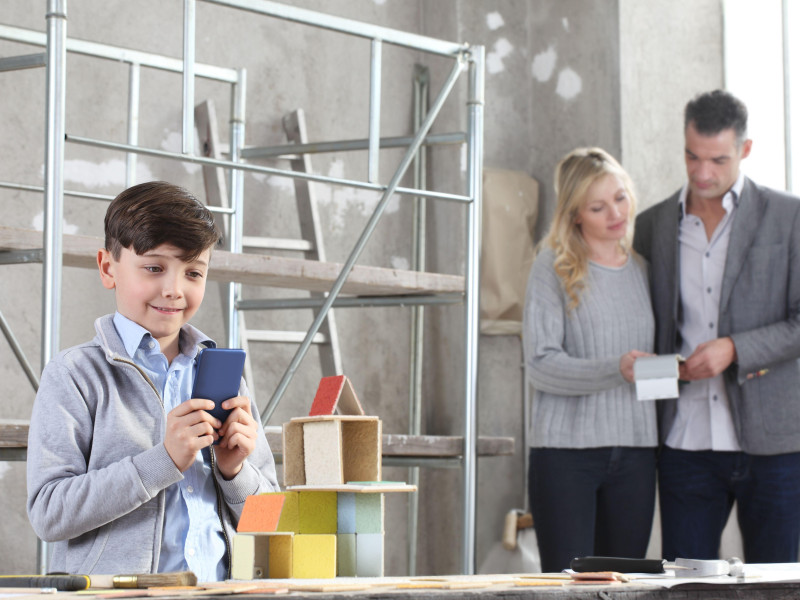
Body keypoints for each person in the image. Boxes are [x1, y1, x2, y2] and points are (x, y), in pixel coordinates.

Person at [26, 181, 280, 581]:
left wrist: (234, 472)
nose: (174, 290)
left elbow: (270, 522)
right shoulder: (74, 375)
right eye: (154, 268)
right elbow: (49, 513)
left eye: (193, 272)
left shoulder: (225, 377)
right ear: (108, 268)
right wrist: (162, 462)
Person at [633, 90, 800, 563]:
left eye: (718, 160)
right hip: (683, 445)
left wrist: (735, 348)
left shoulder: (790, 217)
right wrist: (662, 373)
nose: (702, 173)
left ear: (745, 150)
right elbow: (649, 337)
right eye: (692, 156)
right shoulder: (652, 226)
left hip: (775, 447)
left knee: (778, 586)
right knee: (684, 584)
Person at [523, 147, 657, 573]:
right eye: (598, 207)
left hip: (636, 455)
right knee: (569, 587)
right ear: (575, 214)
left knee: (625, 586)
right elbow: (541, 365)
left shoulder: (645, 270)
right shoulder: (552, 267)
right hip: (566, 458)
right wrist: (615, 368)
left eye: (620, 198)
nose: (616, 213)